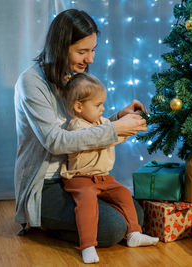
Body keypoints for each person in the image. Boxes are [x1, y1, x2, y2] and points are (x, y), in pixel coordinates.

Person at [14, 9, 147, 250]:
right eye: (82, 51)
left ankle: (83, 221)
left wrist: (117, 118)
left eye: (93, 50)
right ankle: (44, 224)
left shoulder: (70, 76)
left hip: (79, 176)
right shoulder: (31, 82)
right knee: (114, 228)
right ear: (60, 46)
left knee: (137, 214)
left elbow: (79, 127)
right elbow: (56, 141)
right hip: (46, 185)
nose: (91, 59)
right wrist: (115, 129)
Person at [60, 73, 158, 263]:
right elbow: (96, 138)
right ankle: (88, 245)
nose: (103, 108)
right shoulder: (75, 126)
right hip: (81, 179)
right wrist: (117, 129)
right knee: (86, 203)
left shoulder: (102, 122)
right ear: (79, 106)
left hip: (104, 178)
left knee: (123, 193)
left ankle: (134, 234)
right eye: (98, 105)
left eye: (103, 104)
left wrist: (131, 126)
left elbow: (115, 134)